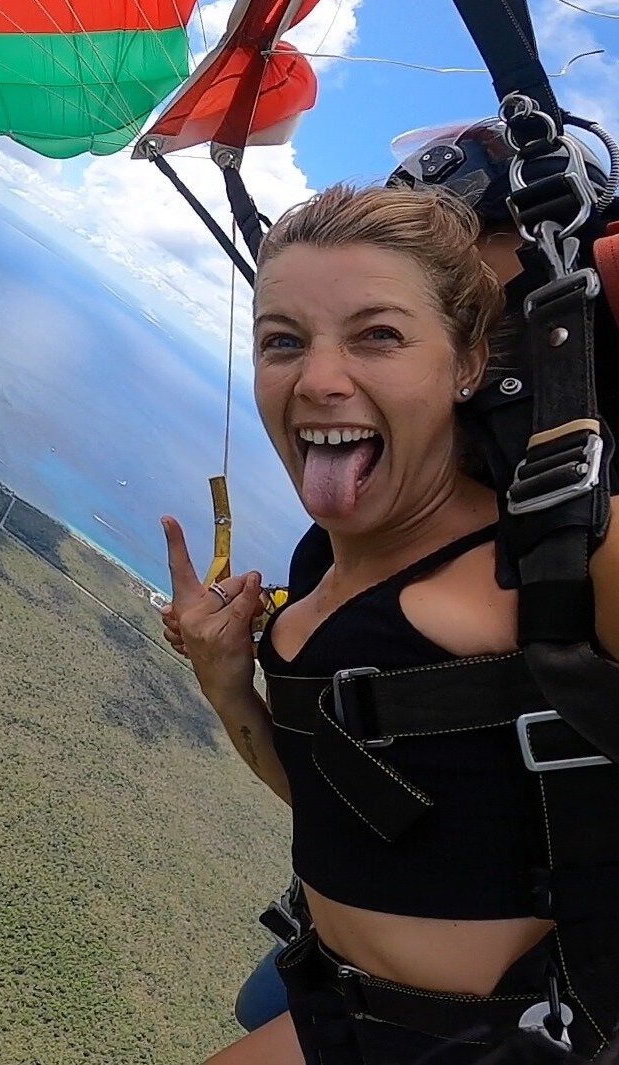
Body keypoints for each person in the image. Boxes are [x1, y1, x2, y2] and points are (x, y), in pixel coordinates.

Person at [164, 117, 619, 1045]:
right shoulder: (315, 565)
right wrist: (229, 689)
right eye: (282, 341)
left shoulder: (558, 560)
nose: (319, 377)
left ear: (469, 361)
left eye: (377, 336)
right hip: (342, 1002)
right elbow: (350, 804)